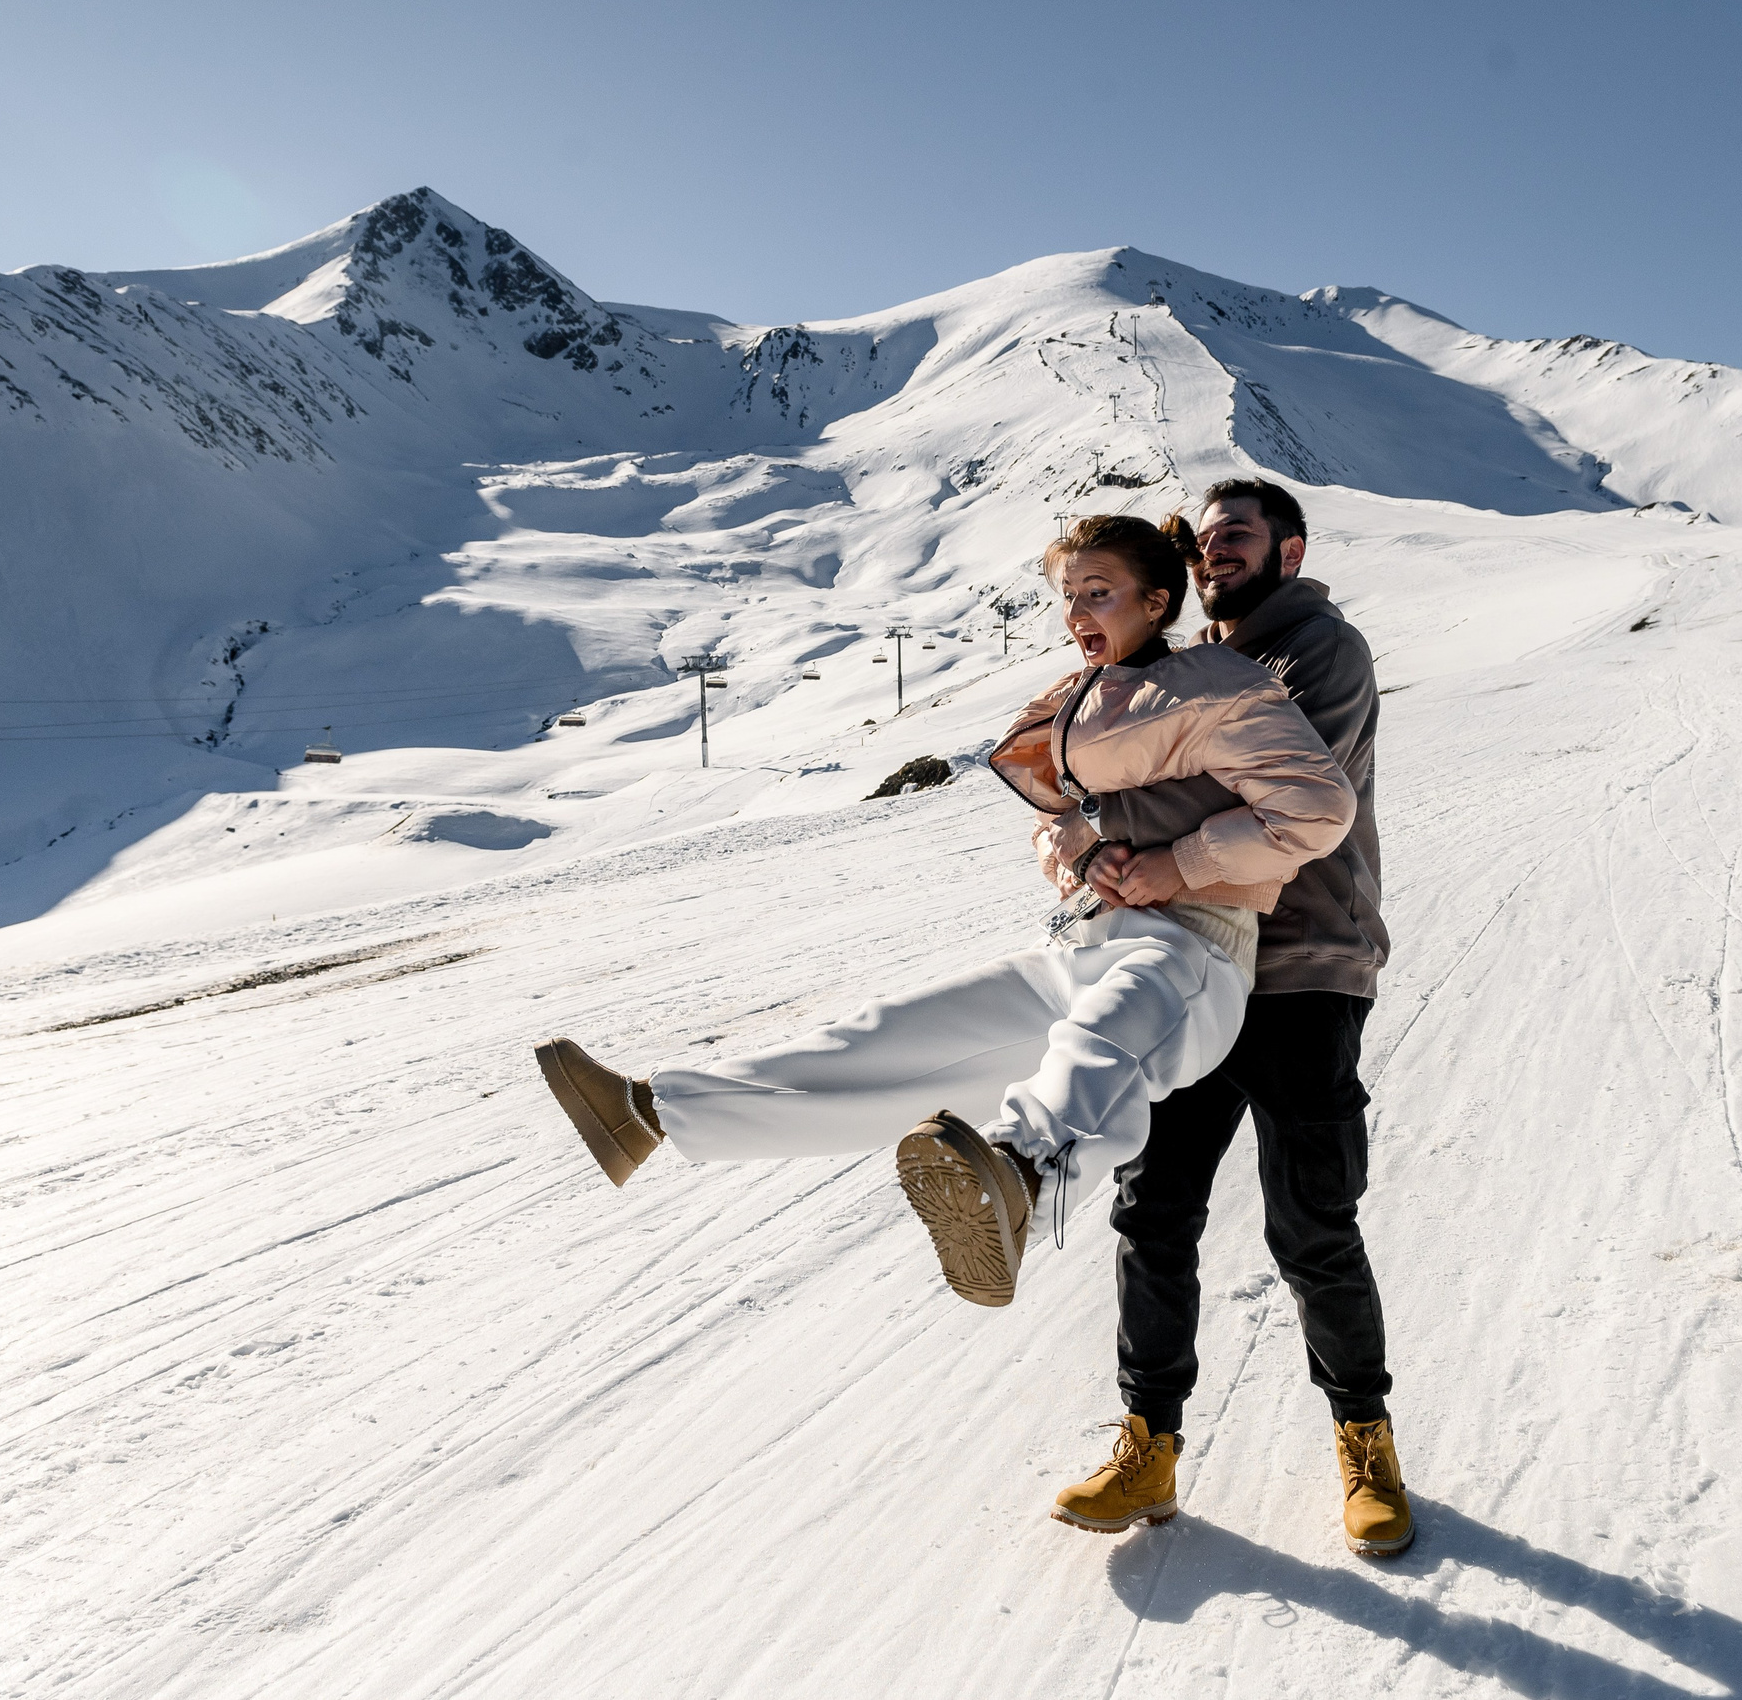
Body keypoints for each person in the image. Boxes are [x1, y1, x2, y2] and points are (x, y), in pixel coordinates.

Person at [531, 512, 1355, 1332]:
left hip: (1194, 951)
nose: (1077, 614)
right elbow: (1057, 822)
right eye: (1069, 597)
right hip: (1084, 938)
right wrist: (1082, 853)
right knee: (887, 1041)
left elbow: (1316, 808)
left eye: (1098, 593)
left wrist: (1178, 865)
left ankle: (1025, 1179)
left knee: (1102, 1045)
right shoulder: (1071, 703)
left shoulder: (1218, 684)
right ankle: (651, 1111)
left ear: (1157, 599)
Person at [1043, 478, 1410, 1559]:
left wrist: (1142, 834)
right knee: (1152, 1208)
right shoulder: (1186, 669)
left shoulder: (1316, 651)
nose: (1217, 557)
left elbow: (1275, 800)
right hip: (1199, 962)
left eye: (1238, 537)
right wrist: (1093, 834)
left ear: (1288, 549)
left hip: (1302, 968)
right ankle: (1147, 1440)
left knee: (1312, 1222)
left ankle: (1364, 1436)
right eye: (1204, 544)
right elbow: (1125, 788)